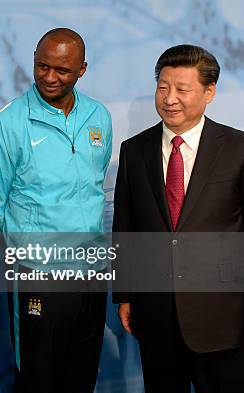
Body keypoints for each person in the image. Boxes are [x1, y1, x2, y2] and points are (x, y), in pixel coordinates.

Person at [0, 28, 112, 393]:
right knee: (37, 379)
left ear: (82, 70)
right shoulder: (9, 122)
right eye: (42, 66)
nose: (50, 77)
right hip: (37, 274)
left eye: (62, 70)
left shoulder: (98, 117)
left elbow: (93, 185)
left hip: (91, 272)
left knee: (82, 374)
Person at [113, 44, 244, 392]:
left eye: (182, 90)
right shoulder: (134, 150)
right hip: (155, 313)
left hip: (222, 316)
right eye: (163, 87)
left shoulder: (237, 148)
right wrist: (125, 295)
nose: (170, 98)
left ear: (209, 92)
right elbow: (125, 226)